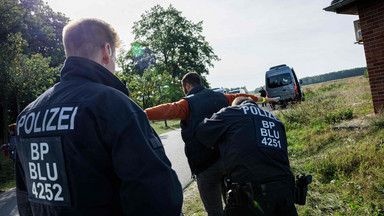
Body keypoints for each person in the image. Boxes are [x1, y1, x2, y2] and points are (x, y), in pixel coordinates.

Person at [14, 18, 183, 216]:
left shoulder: (27, 116)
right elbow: (156, 197)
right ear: (106, 51)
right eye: (115, 59)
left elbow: (25, 198)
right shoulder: (114, 106)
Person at [144, 72, 278, 216]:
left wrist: (137, 112)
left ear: (187, 85)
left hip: (205, 167)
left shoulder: (186, 104)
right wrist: (266, 99)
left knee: (215, 211)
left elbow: (165, 110)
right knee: (235, 205)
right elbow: (244, 98)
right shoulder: (222, 97)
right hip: (227, 161)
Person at [196, 97, 298, 216]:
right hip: (284, 191)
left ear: (236, 106)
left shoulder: (229, 113)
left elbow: (202, 131)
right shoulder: (276, 120)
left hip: (248, 195)